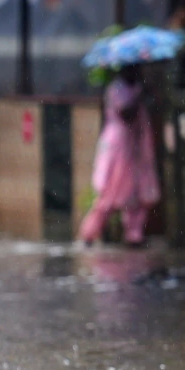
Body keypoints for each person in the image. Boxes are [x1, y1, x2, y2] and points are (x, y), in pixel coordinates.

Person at [78, 65, 161, 247]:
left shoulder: (137, 87)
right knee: (109, 194)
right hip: (118, 147)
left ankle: (134, 236)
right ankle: (89, 234)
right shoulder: (116, 89)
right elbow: (125, 113)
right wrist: (139, 94)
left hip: (135, 148)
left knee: (136, 196)